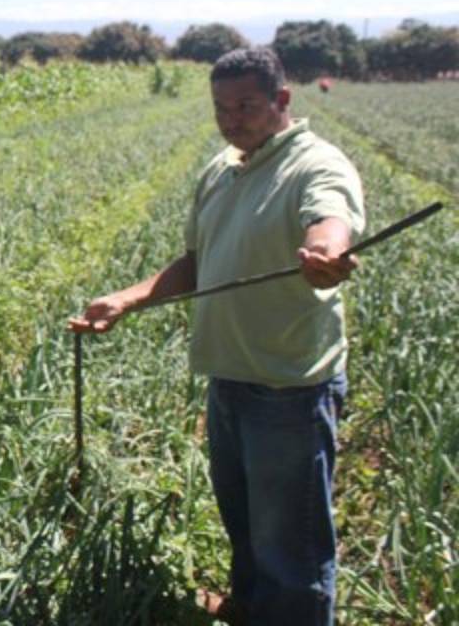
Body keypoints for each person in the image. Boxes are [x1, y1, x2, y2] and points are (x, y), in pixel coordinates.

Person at [70, 48, 364, 626]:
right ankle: (251, 607)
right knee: (247, 521)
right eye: (221, 107)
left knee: (293, 547)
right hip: (229, 377)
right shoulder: (225, 167)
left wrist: (328, 249)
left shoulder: (316, 165)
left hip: (288, 388)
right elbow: (197, 262)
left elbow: (330, 219)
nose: (232, 119)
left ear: (282, 101)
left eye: (246, 105)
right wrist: (127, 300)